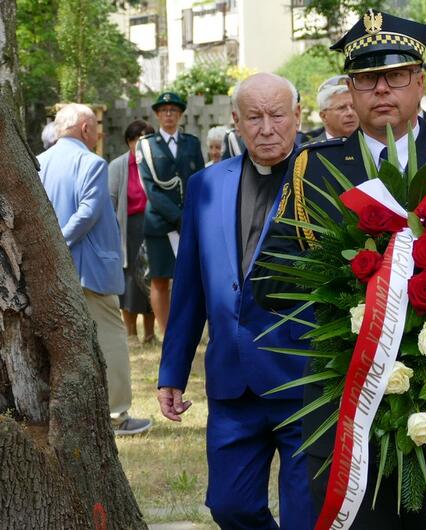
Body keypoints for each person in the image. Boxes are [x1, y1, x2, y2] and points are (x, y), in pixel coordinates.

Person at [253, 10, 426, 530]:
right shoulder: (314, 168)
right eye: (365, 78)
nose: (381, 89)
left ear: (420, 81)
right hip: (346, 403)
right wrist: (350, 298)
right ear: (351, 90)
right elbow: (270, 280)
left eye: (396, 75)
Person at [156, 73, 316, 528]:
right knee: (229, 505)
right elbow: (189, 287)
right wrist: (173, 372)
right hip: (232, 381)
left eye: (277, 115)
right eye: (254, 117)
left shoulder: (325, 177)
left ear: (298, 115)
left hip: (304, 378)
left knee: (306, 514)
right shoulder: (206, 185)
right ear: (235, 122)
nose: (267, 128)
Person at [39, 104, 152, 436]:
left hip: (51, 269)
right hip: (90, 268)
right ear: (86, 129)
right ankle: (117, 415)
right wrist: (60, 241)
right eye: (96, 128)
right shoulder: (91, 162)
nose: (99, 134)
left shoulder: (40, 162)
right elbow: (88, 213)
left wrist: (49, 248)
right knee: (111, 337)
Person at [136, 91, 205, 339]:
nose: (169, 115)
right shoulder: (146, 145)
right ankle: (167, 334)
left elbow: (199, 181)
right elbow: (151, 188)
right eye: (164, 110)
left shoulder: (192, 143)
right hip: (160, 223)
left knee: (188, 280)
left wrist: (192, 216)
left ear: (180, 114)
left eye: (173, 111)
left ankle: (186, 330)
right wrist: (177, 217)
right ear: (156, 114)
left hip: (189, 222)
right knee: (160, 279)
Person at [108, 120, 157, 346]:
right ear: (129, 141)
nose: (139, 143)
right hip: (128, 228)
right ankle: (130, 333)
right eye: (136, 139)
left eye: (145, 138)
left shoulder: (157, 164)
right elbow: (110, 203)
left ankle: (150, 333)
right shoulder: (117, 166)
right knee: (130, 281)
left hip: (154, 226)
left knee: (154, 277)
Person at [311, 74, 358, 142]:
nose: (350, 113)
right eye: (342, 108)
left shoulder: (372, 147)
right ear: (323, 116)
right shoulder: (309, 151)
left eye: (354, 107)